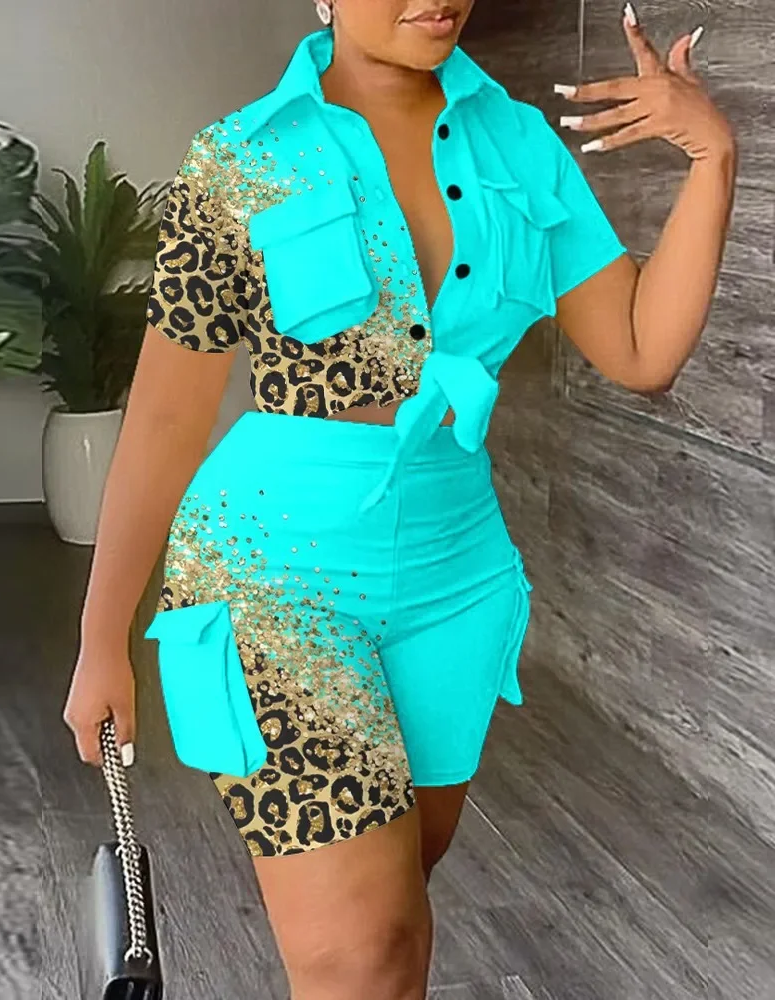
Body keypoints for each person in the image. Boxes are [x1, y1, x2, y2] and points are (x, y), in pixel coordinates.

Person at [63, 1, 736, 997]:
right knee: (363, 951)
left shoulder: (518, 143)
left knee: (396, 931)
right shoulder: (239, 158)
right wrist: (100, 638)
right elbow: (165, 416)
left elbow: (639, 348)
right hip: (271, 572)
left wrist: (711, 159)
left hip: (452, 580)